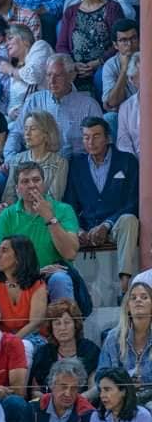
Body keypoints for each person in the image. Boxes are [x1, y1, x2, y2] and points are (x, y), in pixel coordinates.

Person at [64, 115, 139, 297]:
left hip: (115, 227)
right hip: (87, 229)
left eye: (96, 136)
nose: (91, 142)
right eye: (86, 137)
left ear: (108, 138)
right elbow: (69, 203)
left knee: (130, 220)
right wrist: (78, 229)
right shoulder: (76, 164)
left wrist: (107, 225)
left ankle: (124, 284)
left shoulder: (127, 161)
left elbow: (133, 201)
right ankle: (73, 293)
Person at [0, 156, 76, 303]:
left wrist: (49, 217)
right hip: (19, 277)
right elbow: (0, 261)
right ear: (17, 188)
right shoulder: (7, 215)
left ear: (43, 184)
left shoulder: (64, 210)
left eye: (36, 180)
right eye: (25, 182)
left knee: (60, 279)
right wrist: (35, 273)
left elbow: (70, 253)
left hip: (53, 275)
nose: (32, 185)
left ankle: (63, 317)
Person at [3, 54, 103, 159]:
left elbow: (100, 142)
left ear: (71, 76)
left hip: (76, 162)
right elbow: (16, 133)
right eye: (48, 75)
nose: (52, 81)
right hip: (38, 162)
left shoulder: (89, 105)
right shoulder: (34, 100)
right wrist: (10, 158)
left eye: (58, 75)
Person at [0, 234, 48, 353]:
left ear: (19, 257)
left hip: (32, 337)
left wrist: (12, 341)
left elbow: (35, 323)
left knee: (23, 347)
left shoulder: (37, 284)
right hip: (2, 337)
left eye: (4, 250)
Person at [55, 0, 124, 95]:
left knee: (101, 75)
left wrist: (99, 62)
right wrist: (72, 65)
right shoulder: (70, 11)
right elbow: (61, 45)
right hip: (76, 68)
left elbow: (119, 42)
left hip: (103, 65)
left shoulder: (113, 8)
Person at [30, 299, 99, 397]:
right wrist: (53, 401)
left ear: (75, 325)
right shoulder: (43, 353)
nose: (62, 328)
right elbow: (35, 391)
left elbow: (93, 388)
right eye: (57, 323)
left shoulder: (90, 350)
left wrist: (78, 401)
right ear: (51, 327)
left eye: (67, 322)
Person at [97, 282, 152, 391]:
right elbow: (100, 378)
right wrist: (124, 383)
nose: (138, 300)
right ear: (127, 307)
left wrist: (144, 383)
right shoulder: (113, 338)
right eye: (133, 298)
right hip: (121, 398)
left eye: (144, 297)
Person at [2, 23, 53, 121]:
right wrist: (12, 112)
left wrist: (10, 70)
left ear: (25, 40)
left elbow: (34, 76)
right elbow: (12, 102)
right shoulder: (15, 69)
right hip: (26, 120)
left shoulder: (40, 46)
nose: (6, 44)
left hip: (49, 113)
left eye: (10, 38)